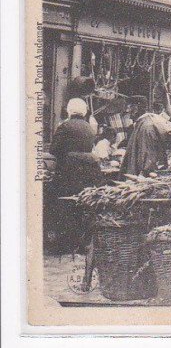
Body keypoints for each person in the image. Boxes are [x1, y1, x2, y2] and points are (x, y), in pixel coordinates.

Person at [48, 98, 104, 255]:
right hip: (88, 172)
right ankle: (82, 242)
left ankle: (66, 243)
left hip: (69, 171)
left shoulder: (65, 126)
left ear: (69, 111)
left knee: (64, 206)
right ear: (84, 111)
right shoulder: (89, 127)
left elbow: (53, 149)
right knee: (81, 206)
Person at [120, 105, 171, 175]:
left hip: (157, 131)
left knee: (146, 155)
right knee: (150, 155)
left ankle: (146, 173)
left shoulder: (145, 126)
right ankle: (149, 171)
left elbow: (145, 152)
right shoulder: (152, 120)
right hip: (164, 131)